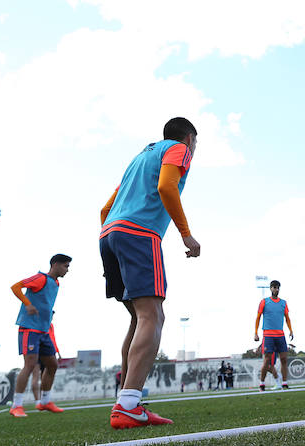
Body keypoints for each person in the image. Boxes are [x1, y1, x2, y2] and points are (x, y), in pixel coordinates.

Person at [101, 117, 201, 428]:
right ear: (189, 138)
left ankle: (126, 400)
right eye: (195, 144)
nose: (194, 151)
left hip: (109, 233)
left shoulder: (139, 158)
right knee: (153, 316)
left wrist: (114, 237)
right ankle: (129, 404)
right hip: (138, 234)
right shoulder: (178, 149)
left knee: (138, 317)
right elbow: (166, 186)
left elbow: (106, 208)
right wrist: (185, 233)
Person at [8, 254, 71, 417]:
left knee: (52, 365)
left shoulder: (56, 283)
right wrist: (28, 305)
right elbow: (15, 287)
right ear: (55, 265)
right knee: (29, 364)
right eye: (65, 266)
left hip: (44, 331)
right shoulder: (40, 278)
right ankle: (17, 405)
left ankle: (44, 402)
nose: (67, 270)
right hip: (30, 329)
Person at [255, 280, 294, 391]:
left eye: (277, 288)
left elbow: (287, 318)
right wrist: (256, 333)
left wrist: (291, 330)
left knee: (284, 359)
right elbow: (258, 317)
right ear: (270, 288)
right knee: (267, 360)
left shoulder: (283, 303)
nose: (276, 289)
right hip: (268, 335)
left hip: (280, 335)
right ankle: (262, 384)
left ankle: (284, 383)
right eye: (274, 287)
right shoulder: (264, 302)